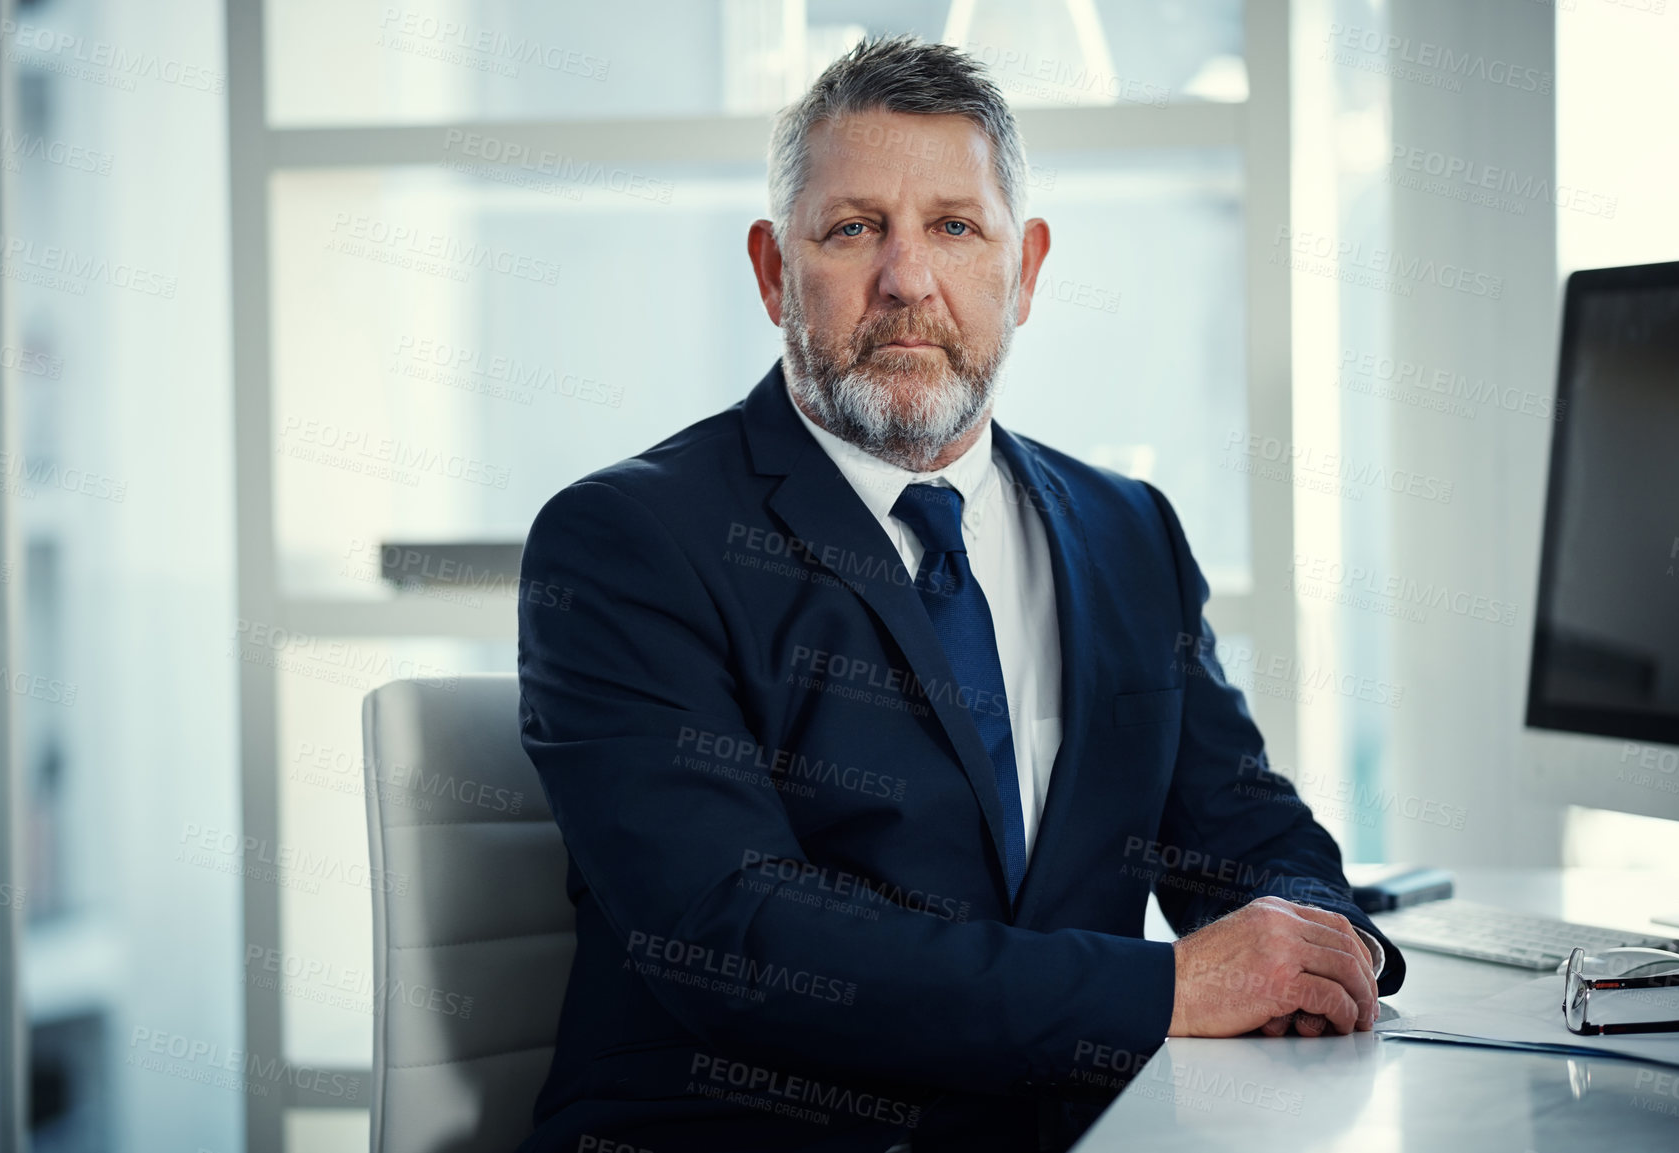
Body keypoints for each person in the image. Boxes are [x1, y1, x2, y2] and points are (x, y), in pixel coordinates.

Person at [516, 34, 1404, 1153]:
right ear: (769, 270)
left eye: (952, 226)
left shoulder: (1128, 536)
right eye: (851, 230)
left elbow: (1246, 838)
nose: (906, 280)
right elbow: (736, 938)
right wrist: (1164, 989)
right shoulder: (627, 542)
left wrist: (1319, 946)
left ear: (1023, 269)